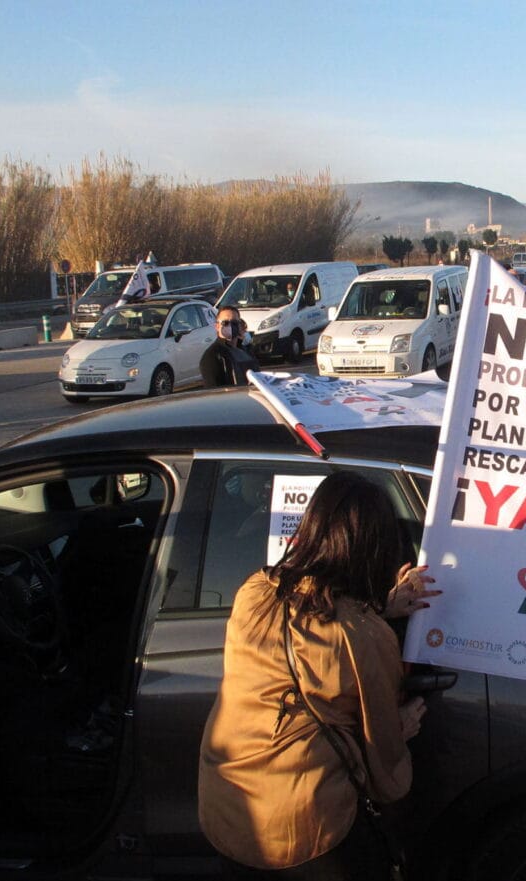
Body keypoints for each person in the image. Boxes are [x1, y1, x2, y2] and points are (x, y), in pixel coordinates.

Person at [198, 471, 439, 879]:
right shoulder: (361, 633)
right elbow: (382, 753)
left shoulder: (254, 592)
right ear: (374, 549)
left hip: (229, 811)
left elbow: (311, 629)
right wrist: (400, 727)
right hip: (303, 830)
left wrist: (378, 608)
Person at [200, 307, 259, 388]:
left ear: (239, 325)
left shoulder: (246, 352)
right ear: (217, 326)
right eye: (225, 323)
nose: (230, 326)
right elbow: (213, 392)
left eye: (234, 323)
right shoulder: (211, 356)